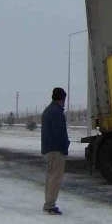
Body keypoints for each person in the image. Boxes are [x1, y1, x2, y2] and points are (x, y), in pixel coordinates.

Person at [41, 87, 70, 215]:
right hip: (55, 150)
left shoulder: (49, 110)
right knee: (55, 178)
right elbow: (60, 133)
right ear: (62, 98)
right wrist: (65, 145)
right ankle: (49, 206)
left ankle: (49, 203)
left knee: (50, 177)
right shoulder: (56, 113)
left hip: (49, 149)